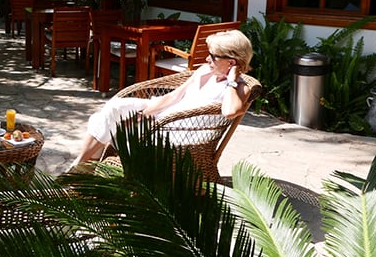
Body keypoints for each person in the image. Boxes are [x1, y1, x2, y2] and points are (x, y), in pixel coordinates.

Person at [70, 29, 254, 167]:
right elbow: (175, 96)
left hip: (177, 133)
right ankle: (80, 166)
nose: (207, 59)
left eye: (213, 56)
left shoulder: (239, 88)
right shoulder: (205, 70)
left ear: (231, 62)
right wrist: (142, 116)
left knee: (101, 121)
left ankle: (79, 170)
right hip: (163, 117)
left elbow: (230, 112)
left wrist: (231, 80)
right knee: (113, 108)